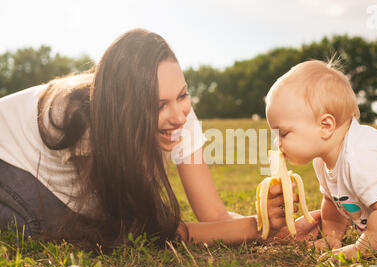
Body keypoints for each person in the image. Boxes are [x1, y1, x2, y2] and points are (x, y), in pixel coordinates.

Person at [0, 28, 319, 250]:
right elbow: (152, 233)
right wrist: (257, 229)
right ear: (124, 111)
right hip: (9, 164)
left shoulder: (180, 118)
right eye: (158, 105)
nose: (179, 115)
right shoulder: (81, 120)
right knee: (61, 231)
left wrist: (272, 224)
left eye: (182, 95)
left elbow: (215, 217)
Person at [265, 59, 377, 258]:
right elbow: (333, 201)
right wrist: (332, 235)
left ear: (325, 126)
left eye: (283, 133)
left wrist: (361, 249)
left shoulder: (361, 156)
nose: (277, 143)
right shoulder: (322, 161)